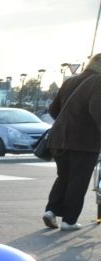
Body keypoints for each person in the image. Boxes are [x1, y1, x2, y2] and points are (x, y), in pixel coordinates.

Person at [43, 52, 101, 232]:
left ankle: (51, 211)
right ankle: (69, 221)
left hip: (59, 139)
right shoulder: (98, 82)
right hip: (83, 142)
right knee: (78, 180)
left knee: (64, 176)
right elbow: (97, 110)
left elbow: (53, 111)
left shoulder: (70, 81)